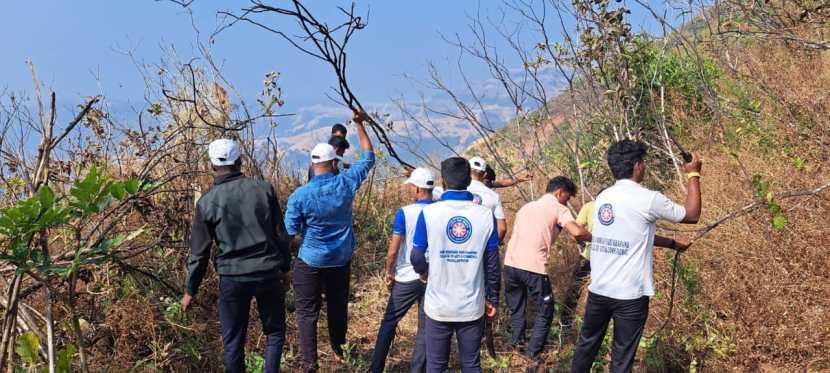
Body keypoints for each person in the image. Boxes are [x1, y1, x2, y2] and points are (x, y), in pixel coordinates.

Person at [571, 140, 701, 373]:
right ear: (638, 165)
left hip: (599, 291)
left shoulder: (603, 198)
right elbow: (691, 215)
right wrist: (693, 174)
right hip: (630, 297)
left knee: (586, 348)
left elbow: (634, 236)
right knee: (621, 360)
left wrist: (672, 244)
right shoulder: (649, 199)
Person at [181, 139, 291, 373]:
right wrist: (285, 268)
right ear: (241, 161)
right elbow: (281, 235)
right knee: (274, 333)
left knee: (233, 340)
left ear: (212, 166)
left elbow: (200, 254)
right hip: (267, 274)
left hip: (233, 278)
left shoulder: (207, 202)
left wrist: (190, 290)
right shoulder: (264, 189)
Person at [284, 111, 375, 372]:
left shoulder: (299, 196)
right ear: (334, 162)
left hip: (310, 259)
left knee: (306, 313)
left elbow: (290, 232)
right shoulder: (346, 183)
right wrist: (359, 125)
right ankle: (339, 351)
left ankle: (310, 363)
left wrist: (296, 249)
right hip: (339, 259)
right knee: (337, 307)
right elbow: (368, 158)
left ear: (313, 166)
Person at [410, 157, 501, 373]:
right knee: (471, 364)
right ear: (469, 180)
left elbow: (416, 256)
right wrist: (492, 298)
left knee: (436, 366)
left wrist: (423, 272)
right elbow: (492, 265)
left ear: (443, 181)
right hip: (472, 306)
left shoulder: (429, 213)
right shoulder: (486, 216)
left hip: (438, 306)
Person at [503, 176, 591, 362]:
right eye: (567, 197)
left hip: (510, 264)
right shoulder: (558, 207)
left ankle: (516, 346)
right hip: (533, 267)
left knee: (518, 308)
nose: (566, 201)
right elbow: (576, 232)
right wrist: (596, 237)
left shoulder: (527, 207)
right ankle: (533, 354)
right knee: (546, 310)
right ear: (559, 192)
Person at [369, 168, 435, 373]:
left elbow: (393, 249)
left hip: (407, 275)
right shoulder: (441, 210)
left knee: (389, 322)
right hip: (433, 275)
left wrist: (389, 271)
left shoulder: (405, 212)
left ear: (416, 189)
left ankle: (376, 368)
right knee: (425, 327)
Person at [466, 156, 508, 242]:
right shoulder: (493, 196)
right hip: (485, 247)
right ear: (485, 174)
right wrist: (495, 243)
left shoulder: (459, 189)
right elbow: (502, 228)